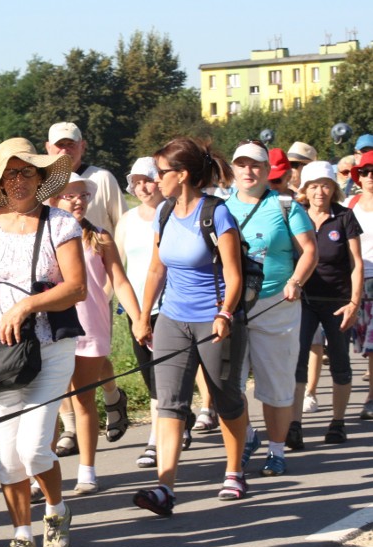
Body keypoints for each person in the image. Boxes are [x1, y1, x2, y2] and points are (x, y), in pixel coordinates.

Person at [0, 137, 85, 547]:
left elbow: (77, 286)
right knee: (6, 452)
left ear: (40, 177)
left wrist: (28, 304)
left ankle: (56, 510)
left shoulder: (60, 224)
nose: (18, 181)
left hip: (49, 349)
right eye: (10, 173)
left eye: (26, 172)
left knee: (34, 448)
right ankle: (21, 535)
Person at [130, 137, 249, 516]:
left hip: (214, 321)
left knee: (226, 398)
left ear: (181, 175)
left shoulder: (216, 214)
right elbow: (156, 268)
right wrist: (143, 315)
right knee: (169, 404)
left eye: (161, 172)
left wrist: (225, 314)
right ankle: (165, 488)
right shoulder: (165, 212)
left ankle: (234, 470)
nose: (155, 178)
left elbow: (234, 274)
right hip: (172, 319)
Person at [225, 140, 318, 477]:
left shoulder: (286, 207)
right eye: (242, 165)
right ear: (233, 170)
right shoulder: (220, 208)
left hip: (277, 303)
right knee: (229, 383)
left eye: (256, 166)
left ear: (266, 171)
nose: (248, 171)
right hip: (232, 306)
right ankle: (247, 437)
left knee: (275, 383)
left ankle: (276, 451)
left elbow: (309, 250)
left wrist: (296, 280)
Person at [50, 173, 141, 495]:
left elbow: (119, 280)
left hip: (91, 327)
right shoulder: (44, 236)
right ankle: (43, 474)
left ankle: (87, 470)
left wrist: (139, 318)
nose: (77, 201)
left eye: (83, 196)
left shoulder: (99, 237)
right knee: (50, 403)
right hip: (54, 330)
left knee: (84, 399)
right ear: (53, 199)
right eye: (70, 195)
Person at [45, 121, 129, 457]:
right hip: (60, 285)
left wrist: (114, 283)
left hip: (97, 280)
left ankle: (111, 394)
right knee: (63, 357)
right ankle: (71, 426)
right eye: (59, 145)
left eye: (71, 145)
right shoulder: (48, 185)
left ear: (83, 146)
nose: (65, 151)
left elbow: (120, 226)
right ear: (49, 148)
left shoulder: (102, 179)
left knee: (94, 355)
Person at [290, 161, 362, 446]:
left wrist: (354, 303)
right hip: (304, 301)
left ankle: (337, 422)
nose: (320, 191)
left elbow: (356, 264)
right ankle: (294, 425)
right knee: (297, 363)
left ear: (334, 188)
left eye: (326, 185)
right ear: (305, 190)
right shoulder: (296, 215)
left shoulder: (344, 217)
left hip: (338, 301)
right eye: (314, 186)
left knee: (341, 364)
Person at [114, 157, 166, 468]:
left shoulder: (172, 213)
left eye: (148, 179)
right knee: (149, 375)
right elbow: (117, 268)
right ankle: (179, 420)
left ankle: (156, 441)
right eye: (137, 181)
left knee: (165, 377)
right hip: (137, 311)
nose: (142, 187)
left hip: (169, 306)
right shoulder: (127, 220)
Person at [347, 151, 373, 420]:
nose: (369, 177)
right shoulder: (350, 204)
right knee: (364, 343)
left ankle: (371, 397)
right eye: (364, 173)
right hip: (357, 281)